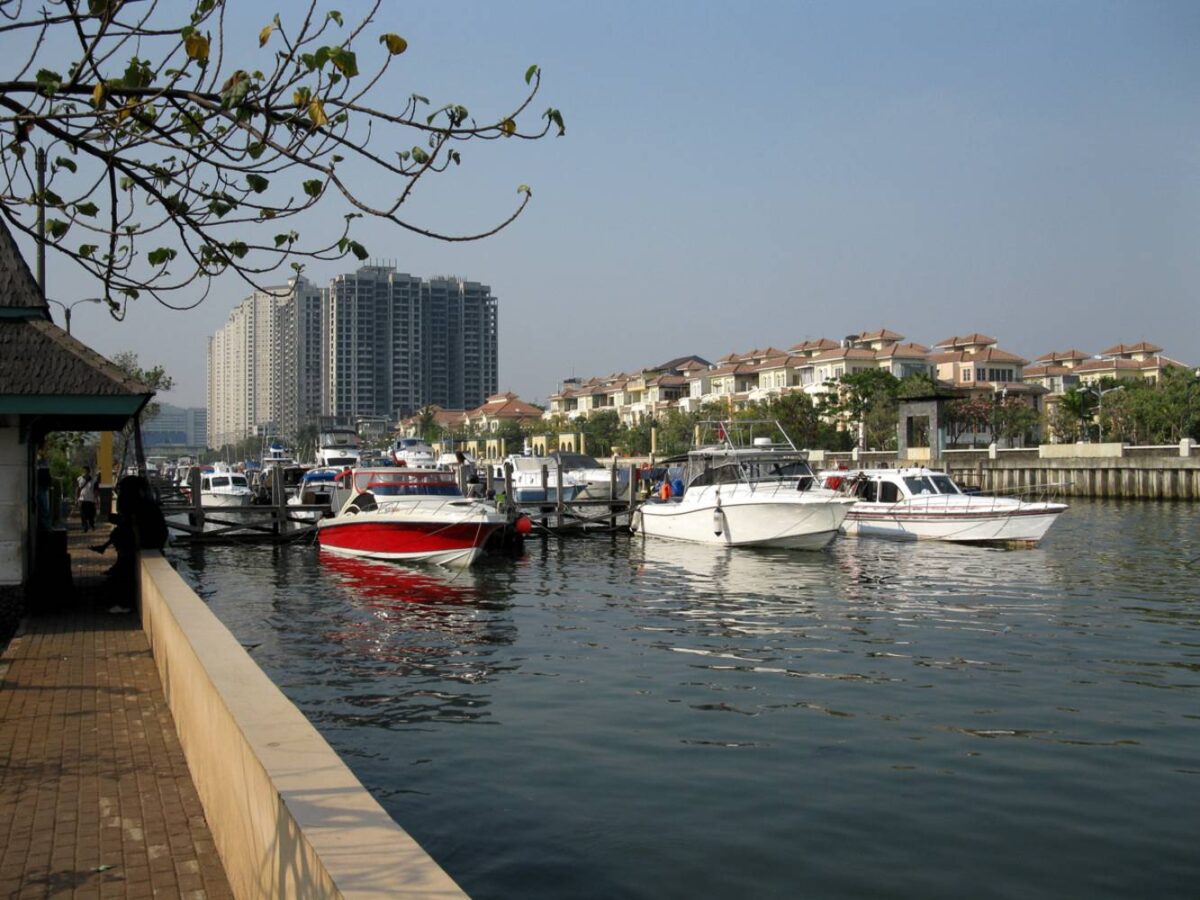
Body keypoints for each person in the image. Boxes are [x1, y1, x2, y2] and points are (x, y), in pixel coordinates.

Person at [76, 466, 98, 531]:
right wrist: (77, 499)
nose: (85, 473)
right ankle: (84, 527)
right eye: (83, 471)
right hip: (82, 499)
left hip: (91, 500)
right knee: (83, 514)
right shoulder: (79, 479)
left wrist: (96, 499)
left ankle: (91, 525)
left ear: (89, 472)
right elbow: (78, 489)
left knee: (91, 514)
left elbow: (96, 490)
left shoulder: (94, 480)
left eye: (86, 471)